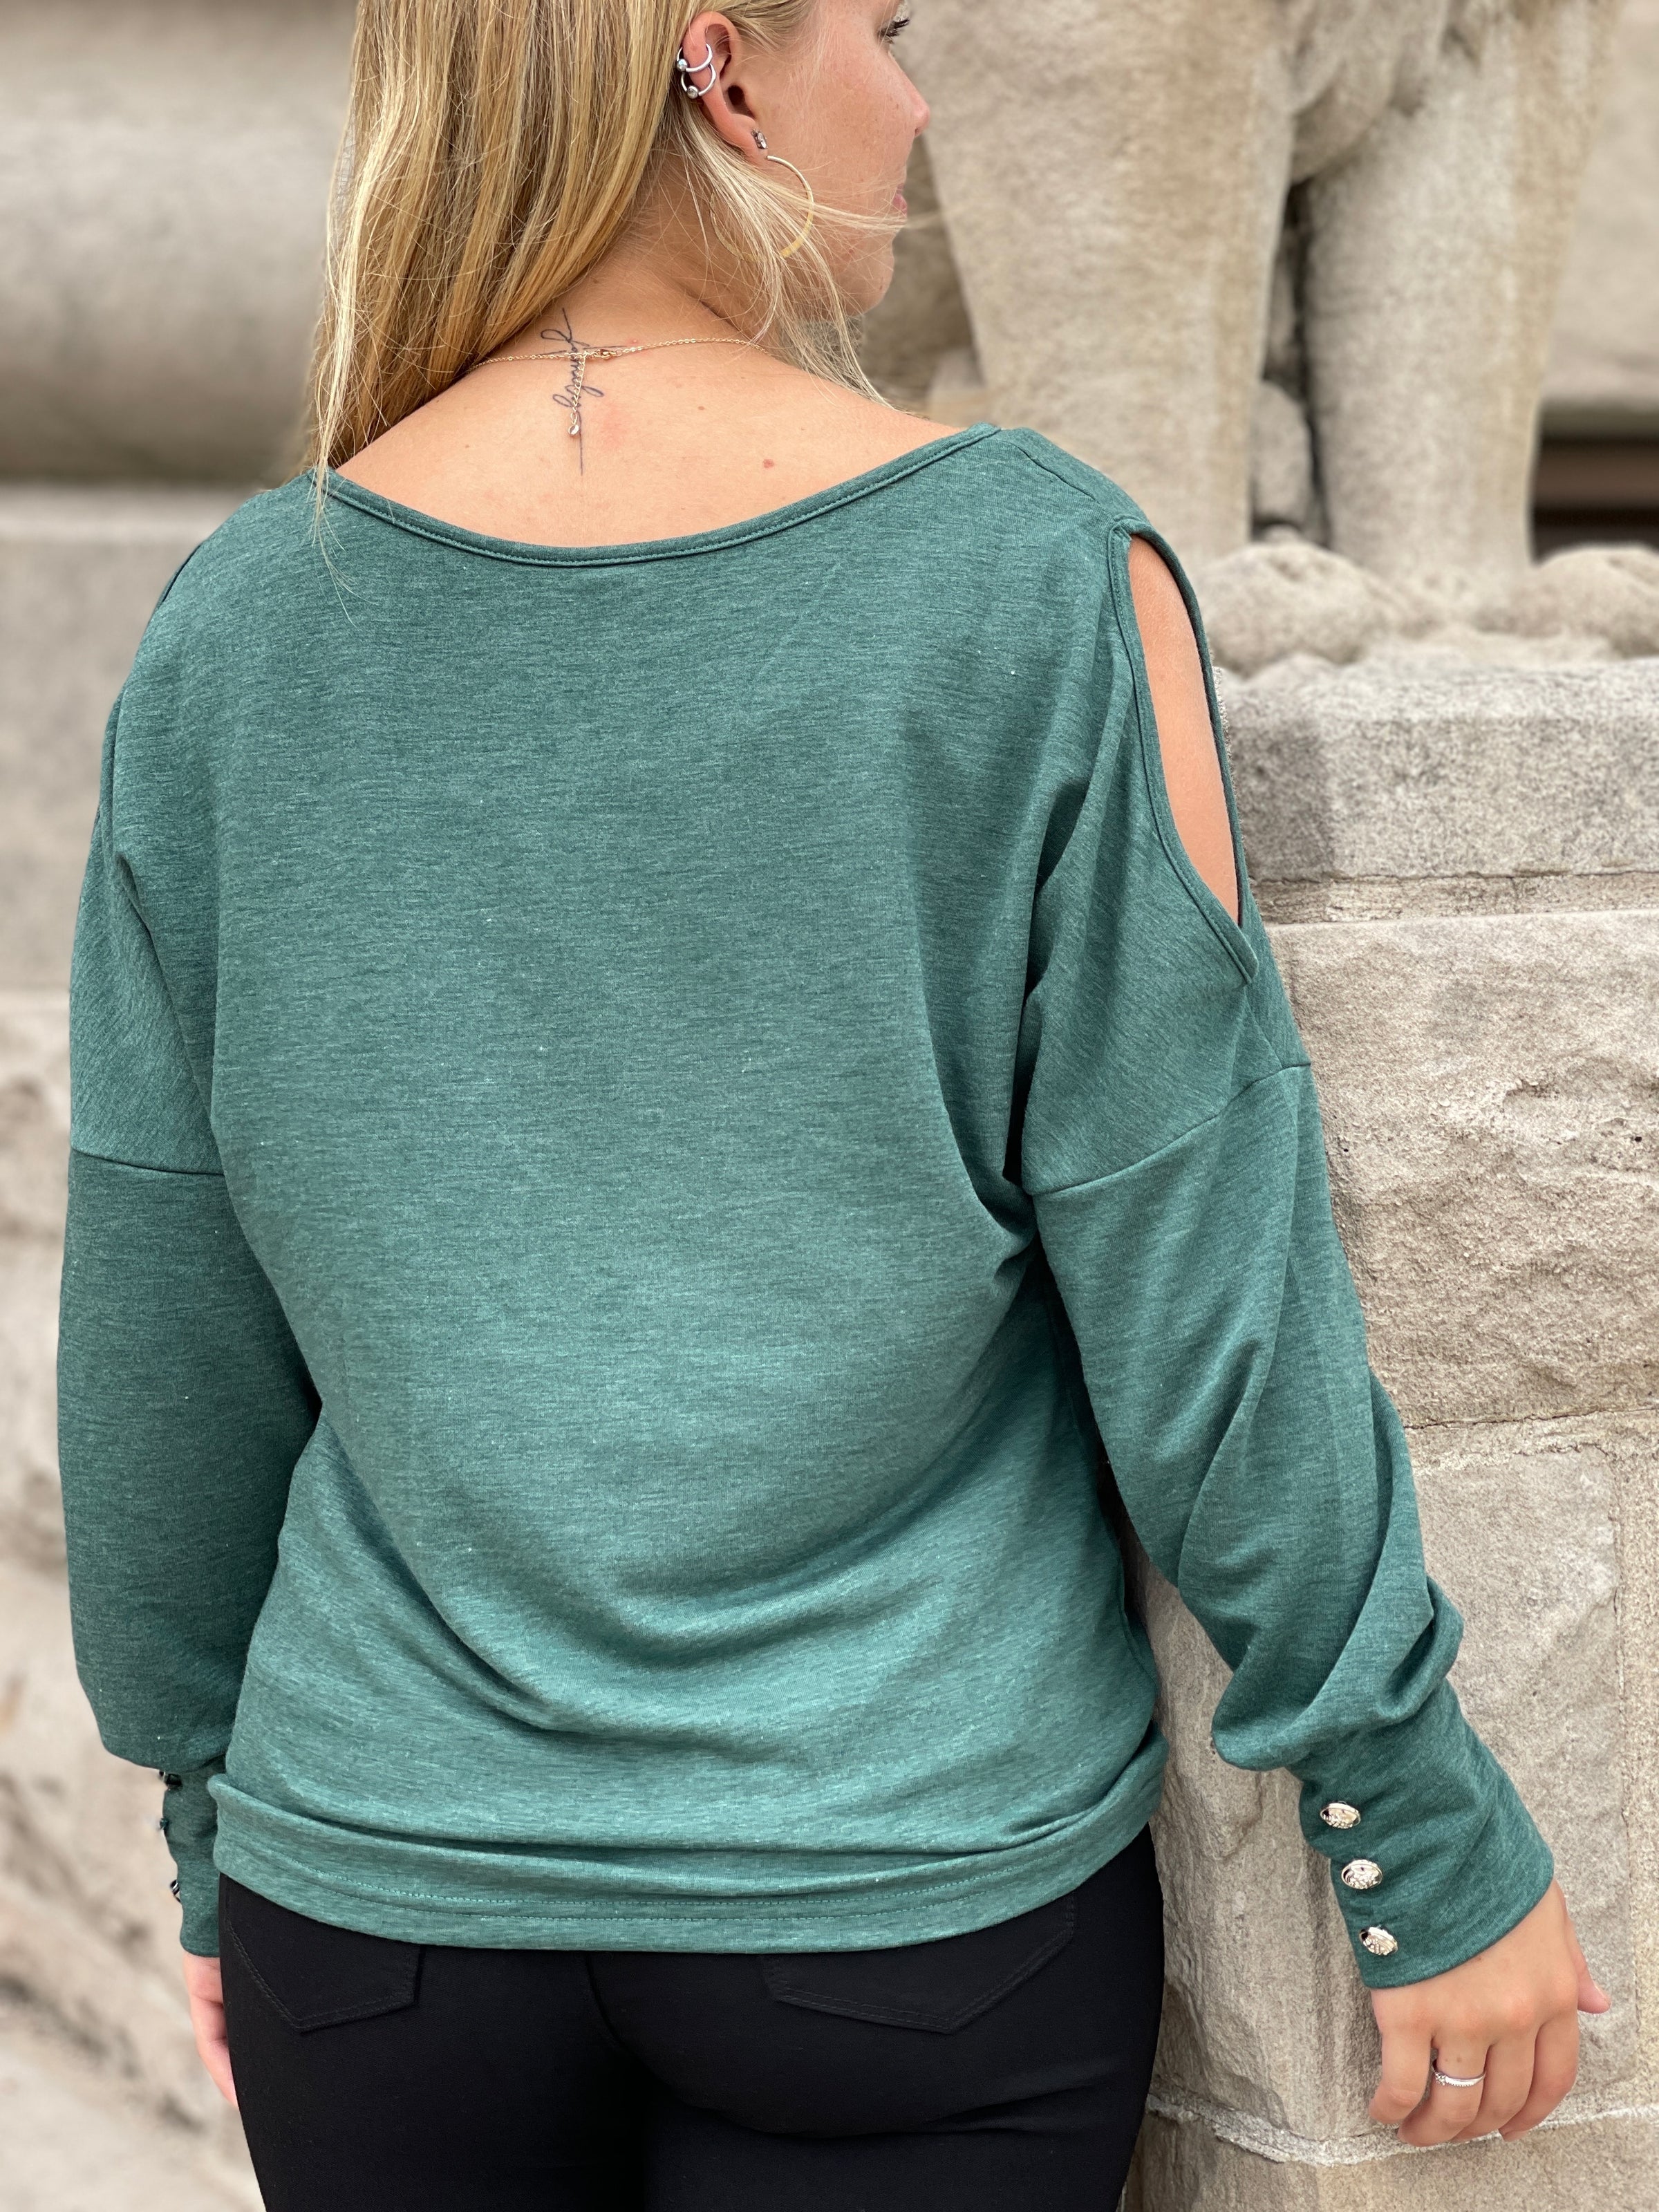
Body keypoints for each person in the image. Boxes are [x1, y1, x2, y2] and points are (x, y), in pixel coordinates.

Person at [55, 3, 1606, 2206]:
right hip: (902, 1906)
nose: (923, 98)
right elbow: (1209, 1306)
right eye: (881, 29)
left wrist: (218, 1834)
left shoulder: (235, 630)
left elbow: (163, 1344)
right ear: (720, 63)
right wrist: (1410, 1824)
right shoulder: (1034, 575)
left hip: (382, 1931)